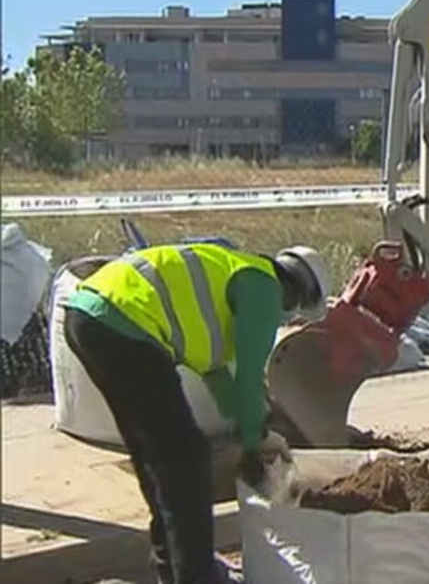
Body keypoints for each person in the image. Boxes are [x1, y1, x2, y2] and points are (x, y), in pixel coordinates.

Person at [61, 242, 331, 584]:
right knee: (186, 461)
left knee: (157, 458)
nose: (285, 319)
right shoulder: (264, 288)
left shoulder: (230, 276)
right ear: (297, 295)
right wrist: (254, 439)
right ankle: (197, 576)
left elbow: (223, 385)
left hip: (88, 317)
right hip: (125, 322)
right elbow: (249, 378)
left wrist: (251, 429)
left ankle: (172, 569)